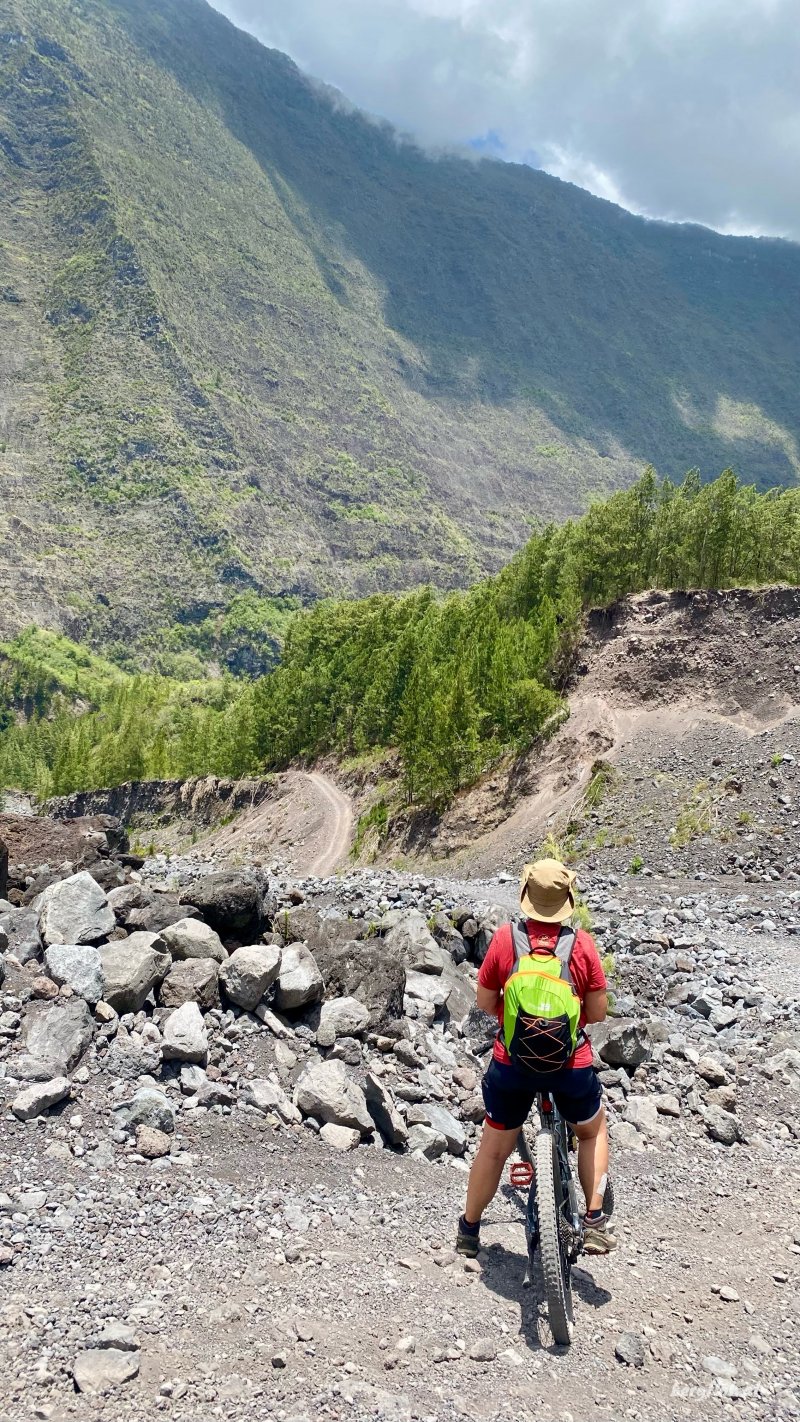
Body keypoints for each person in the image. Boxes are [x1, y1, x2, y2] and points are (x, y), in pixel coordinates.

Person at [456, 857, 616, 1258]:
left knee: (494, 1148)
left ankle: (468, 1231)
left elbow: (484, 1001)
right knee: (592, 1131)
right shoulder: (581, 944)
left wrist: (515, 1019)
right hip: (570, 1066)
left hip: (512, 1064)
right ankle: (594, 1221)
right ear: (567, 900)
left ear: (526, 895)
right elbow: (597, 1012)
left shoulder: (506, 939)